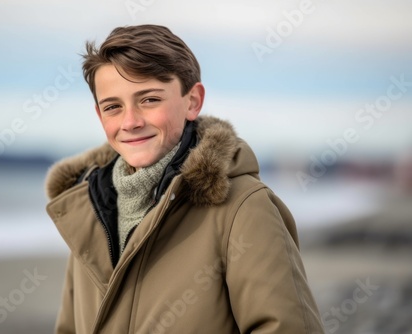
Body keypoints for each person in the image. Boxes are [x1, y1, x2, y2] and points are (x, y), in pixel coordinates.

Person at [45, 24, 324, 334]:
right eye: (113, 107)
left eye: (149, 100)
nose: (130, 122)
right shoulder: (88, 208)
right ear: (100, 116)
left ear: (193, 101)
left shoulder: (244, 208)